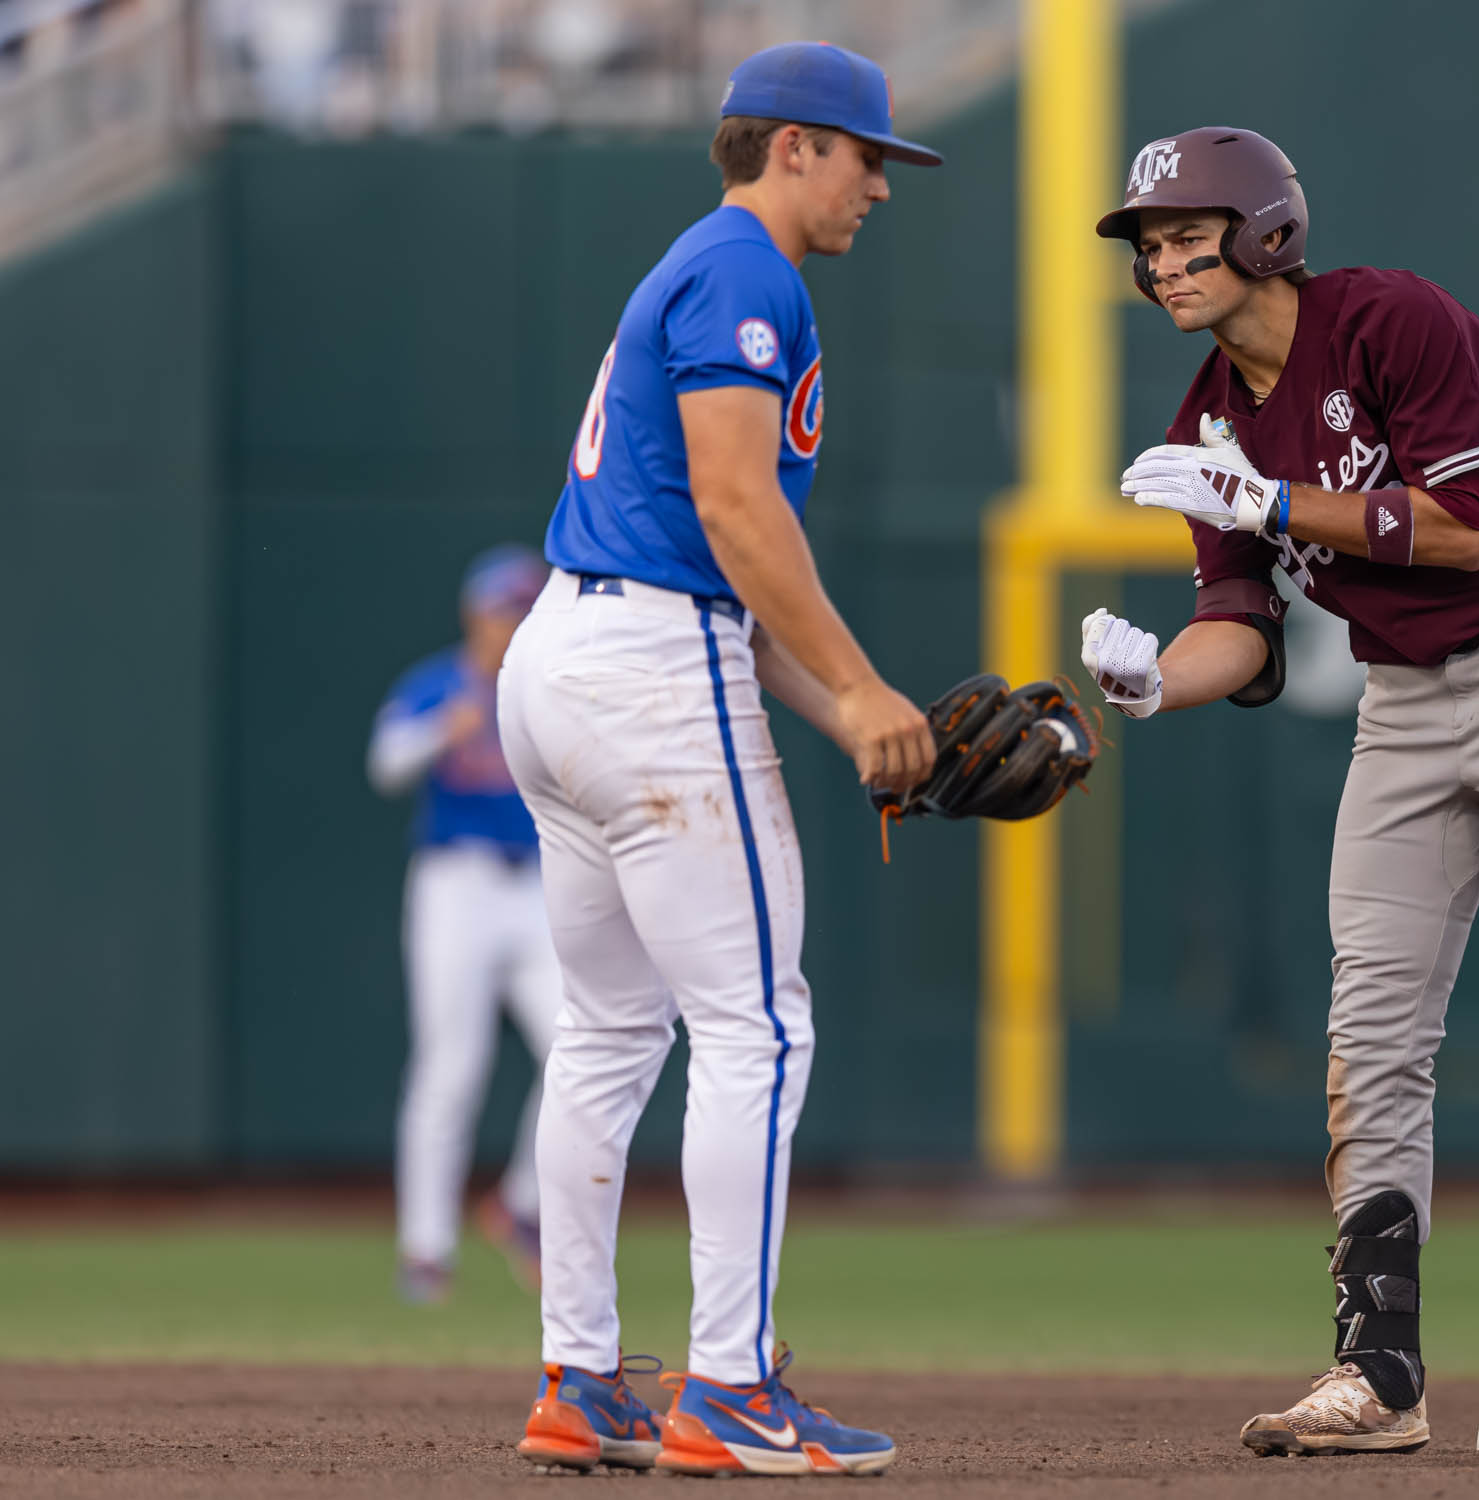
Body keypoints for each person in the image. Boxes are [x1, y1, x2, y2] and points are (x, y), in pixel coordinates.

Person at [1085, 127, 1479, 1456]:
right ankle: (1378, 1375)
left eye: (1189, 234)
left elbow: (1461, 529)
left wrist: (1270, 495)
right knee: (1373, 1030)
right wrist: (1147, 689)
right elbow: (1238, 625)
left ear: (1268, 234)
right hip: (1406, 696)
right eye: (1150, 244)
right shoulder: (1208, 423)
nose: (1166, 261)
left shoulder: (1392, 320)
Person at [496, 41, 940, 1478]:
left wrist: (858, 721)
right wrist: (868, 684)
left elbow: (720, 584)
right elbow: (737, 512)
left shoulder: (695, 265)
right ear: (796, 144)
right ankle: (731, 1389)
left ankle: (578, 1378)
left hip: (568, 660)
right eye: (869, 154)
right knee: (757, 1028)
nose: (882, 183)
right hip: (650, 670)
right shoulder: (750, 270)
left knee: (610, 1034)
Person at [367, 543, 558, 1303]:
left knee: (581, 1047)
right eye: (503, 609)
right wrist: (445, 727)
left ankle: (521, 1203)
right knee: (452, 1064)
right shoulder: (439, 683)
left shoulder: (549, 690)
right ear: (475, 614)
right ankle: (426, 1248)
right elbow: (386, 764)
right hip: (458, 882)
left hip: (541, 886)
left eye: (524, 609)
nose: (512, 622)